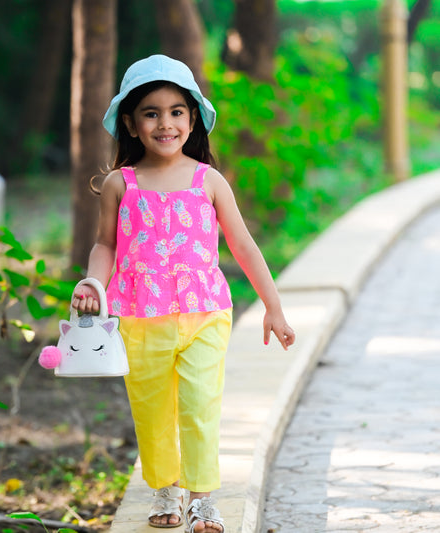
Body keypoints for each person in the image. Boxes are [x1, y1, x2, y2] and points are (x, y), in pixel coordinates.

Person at [72, 54, 295, 533]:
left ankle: (202, 499)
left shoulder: (208, 180)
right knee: (152, 409)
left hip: (205, 313)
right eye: (151, 112)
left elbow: (243, 245)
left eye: (176, 111)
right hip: (138, 315)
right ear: (130, 124)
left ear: (192, 120)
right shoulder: (119, 184)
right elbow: (105, 244)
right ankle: (165, 488)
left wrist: (273, 306)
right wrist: (92, 284)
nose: (165, 122)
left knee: (199, 406)